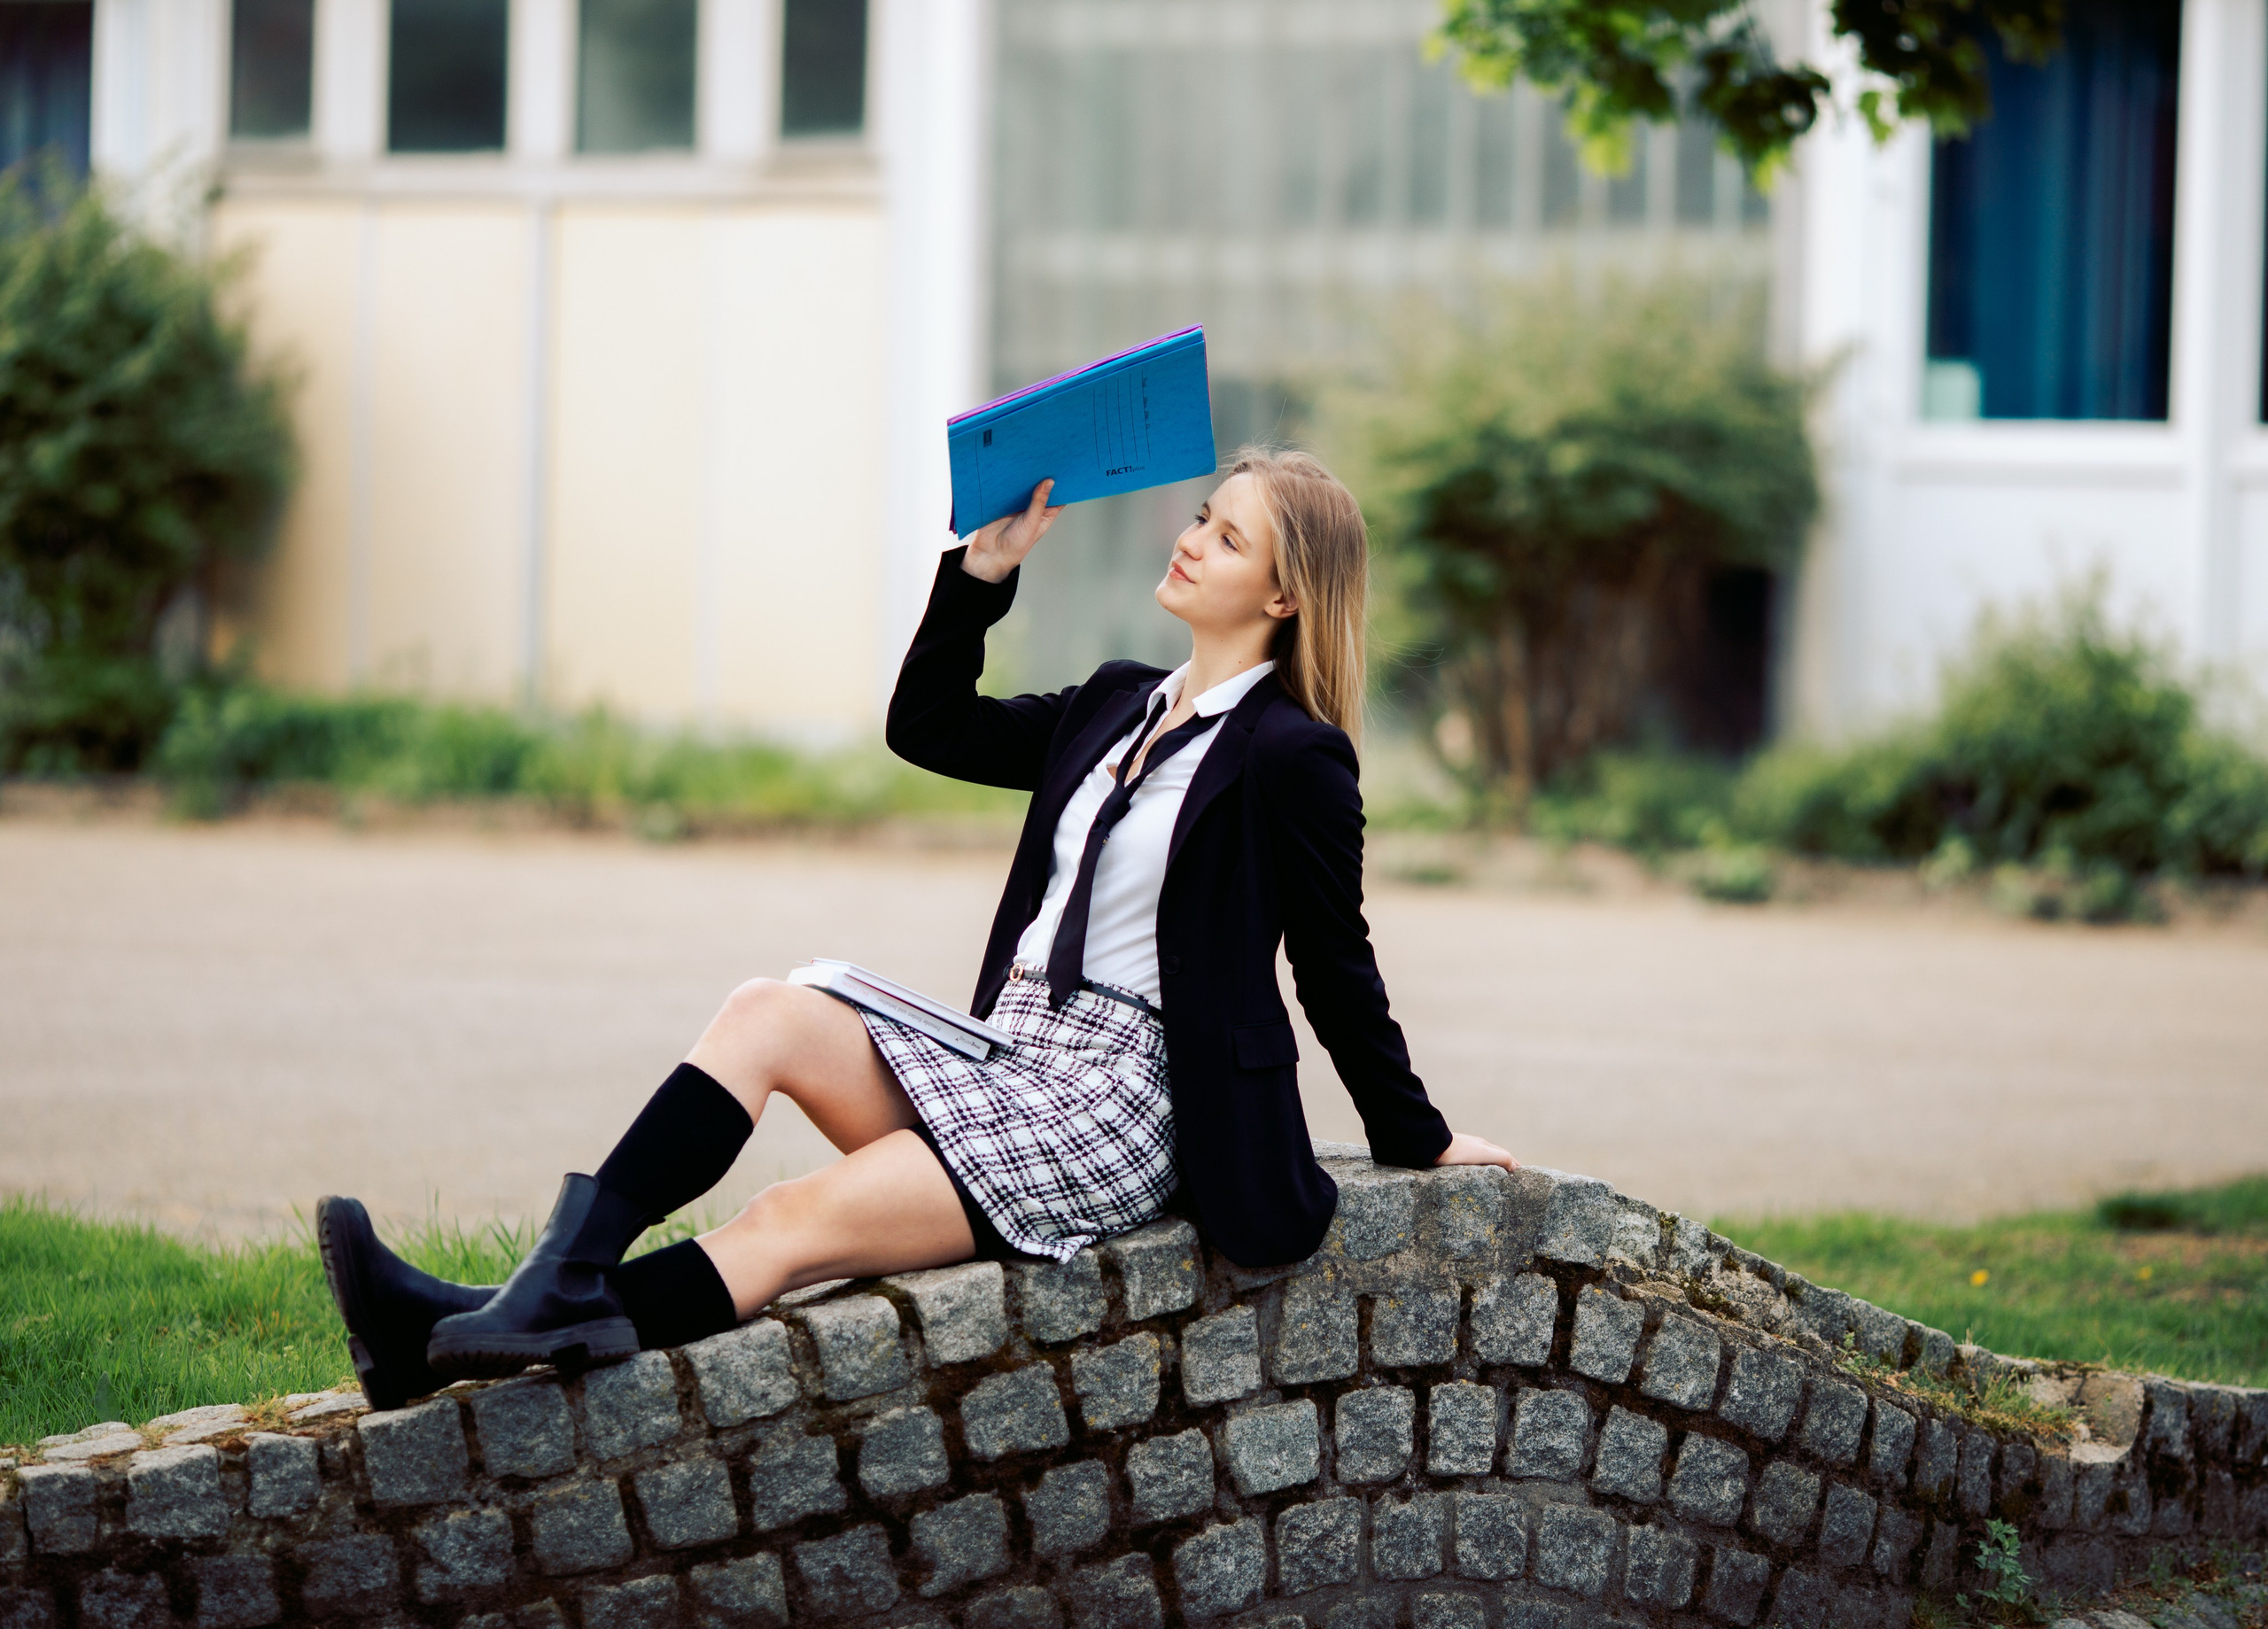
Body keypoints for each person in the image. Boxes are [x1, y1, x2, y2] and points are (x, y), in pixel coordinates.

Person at [317, 447, 1518, 1410]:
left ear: (1286, 592)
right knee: (767, 1013)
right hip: (1013, 1053)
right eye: (1201, 517)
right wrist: (981, 575)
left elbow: (1334, 961)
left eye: (1227, 535)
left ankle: (472, 1327)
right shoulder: (1113, 704)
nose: (1191, 538)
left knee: (791, 1224)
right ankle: (537, 1293)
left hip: (1120, 1100)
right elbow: (929, 726)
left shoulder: (1294, 759)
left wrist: (1419, 1137)